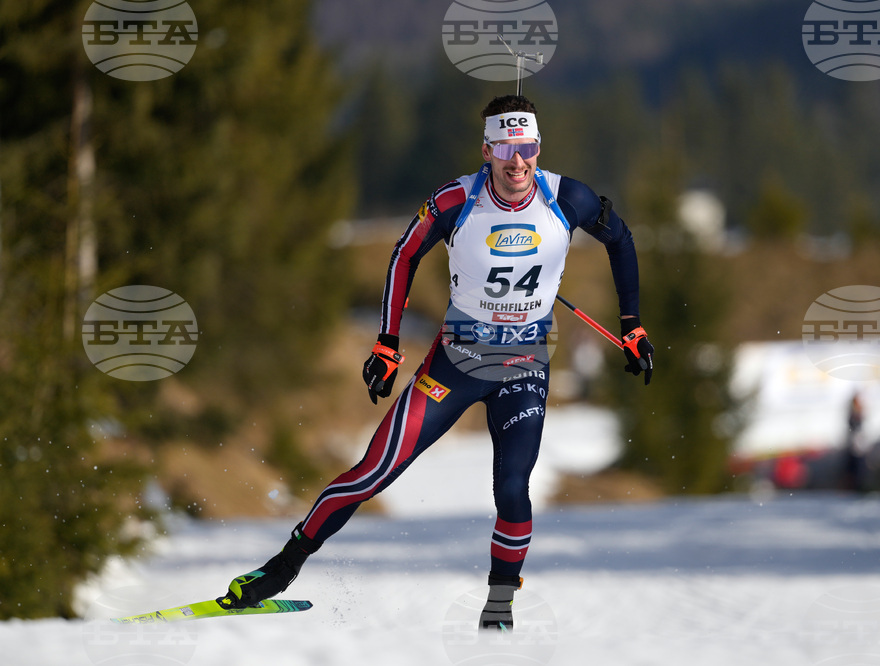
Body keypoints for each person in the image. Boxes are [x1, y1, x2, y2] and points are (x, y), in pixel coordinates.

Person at [218, 95, 654, 631]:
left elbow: (622, 239)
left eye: (529, 148)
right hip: (458, 361)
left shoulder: (569, 197)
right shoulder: (456, 199)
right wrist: (386, 342)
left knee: (514, 488)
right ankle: (279, 570)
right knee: (373, 471)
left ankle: (498, 608)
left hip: (523, 365)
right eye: (506, 148)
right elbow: (405, 254)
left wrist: (631, 325)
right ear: (487, 149)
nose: (519, 162)